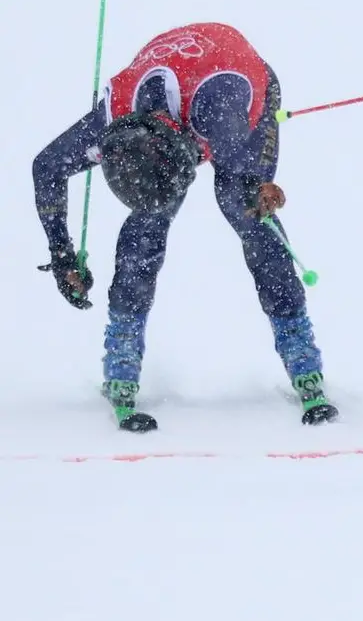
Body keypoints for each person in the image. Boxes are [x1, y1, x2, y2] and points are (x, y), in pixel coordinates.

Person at [32, 22, 335, 432]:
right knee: (148, 222)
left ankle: (302, 356)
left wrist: (263, 189)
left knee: (241, 204)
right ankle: (122, 357)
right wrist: (62, 254)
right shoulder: (112, 118)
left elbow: (250, 181)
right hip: (175, 103)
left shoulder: (221, 115)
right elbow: (46, 167)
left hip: (233, 81)